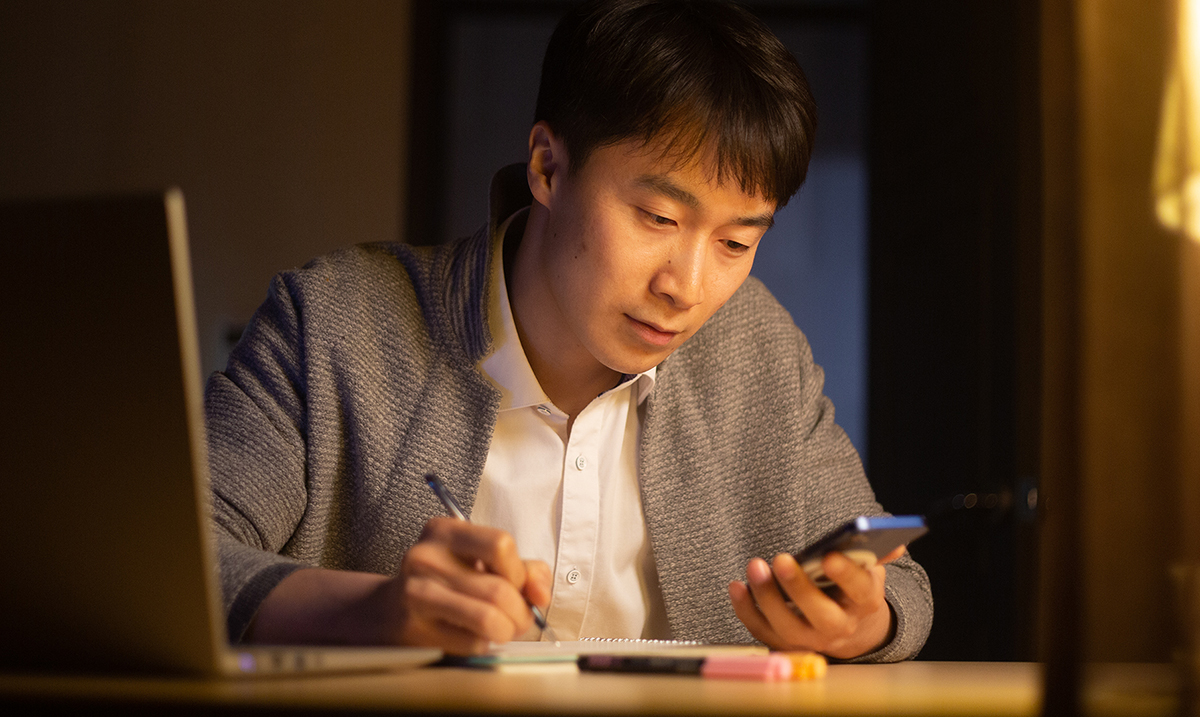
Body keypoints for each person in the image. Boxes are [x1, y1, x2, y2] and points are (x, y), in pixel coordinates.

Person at [205, 0, 932, 662]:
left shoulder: (758, 348)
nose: (685, 286)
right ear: (548, 167)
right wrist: (373, 610)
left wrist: (858, 622)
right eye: (658, 218)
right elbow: (172, 558)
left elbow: (901, 590)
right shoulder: (337, 320)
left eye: (736, 244)